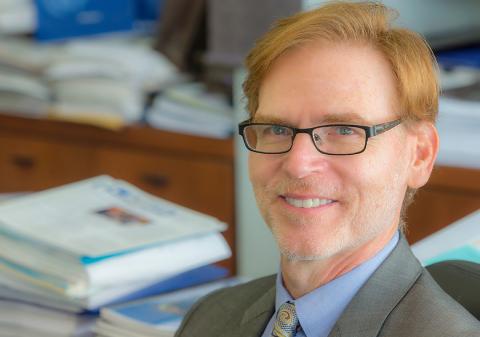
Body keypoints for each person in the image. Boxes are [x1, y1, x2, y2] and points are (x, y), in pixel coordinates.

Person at [175, 2, 480, 336]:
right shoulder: (210, 317)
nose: (298, 163)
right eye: (277, 129)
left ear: (419, 155)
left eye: (345, 130)